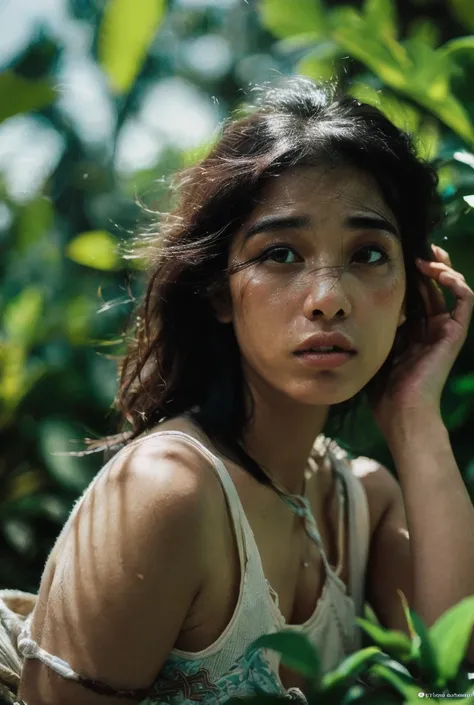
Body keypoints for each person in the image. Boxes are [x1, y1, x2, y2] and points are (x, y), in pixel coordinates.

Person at [4, 76, 474, 705]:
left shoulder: (363, 499)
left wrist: (418, 417)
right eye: (281, 253)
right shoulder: (166, 491)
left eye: (367, 255)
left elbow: (450, 676)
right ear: (221, 292)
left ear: (412, 291)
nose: (328, 300)